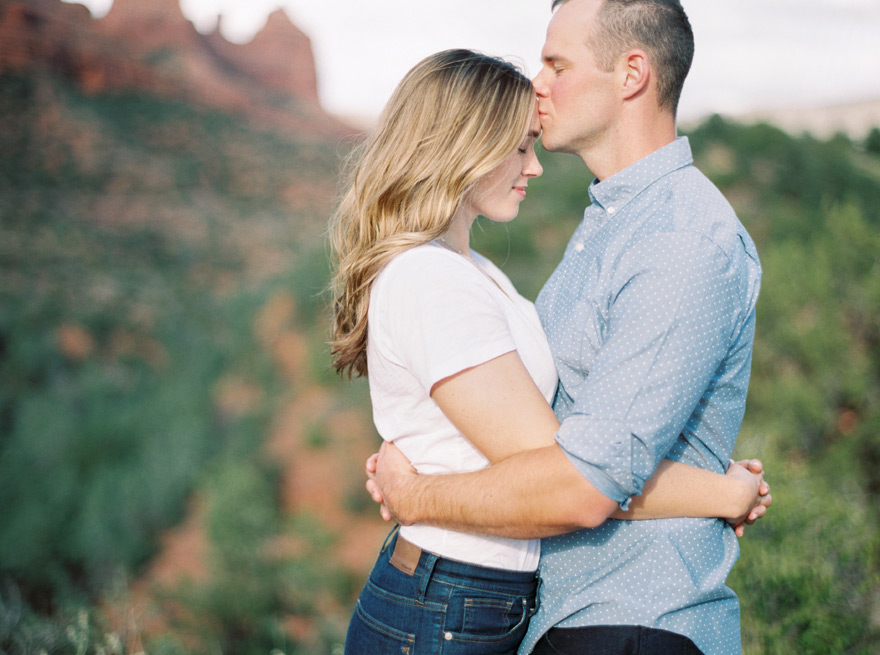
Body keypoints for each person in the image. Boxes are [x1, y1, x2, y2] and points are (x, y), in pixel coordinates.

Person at [332, 48, 768, 655]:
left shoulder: (471, 269)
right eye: (518, 147)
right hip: (444, 601)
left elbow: (574, 461)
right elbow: (569, 474)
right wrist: (719, 492)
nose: (533, 167)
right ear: (464, 145)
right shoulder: (429, 280)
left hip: (476, 599)